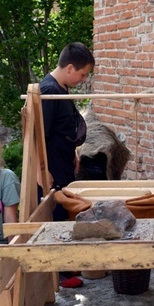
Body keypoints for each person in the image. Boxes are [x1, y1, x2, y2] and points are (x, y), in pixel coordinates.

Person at [40, 42, 95, 288]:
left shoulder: (60, 87)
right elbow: (39, 135)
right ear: (70, 68)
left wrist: (73, 153)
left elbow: (64, 127)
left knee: (65, 212)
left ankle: (66, 263)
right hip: (52, 164)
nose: (83, 80)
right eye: (82, 74)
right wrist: (43, 171)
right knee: (58, 213)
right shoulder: (47, 90)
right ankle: (60, 274)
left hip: (63, 159)